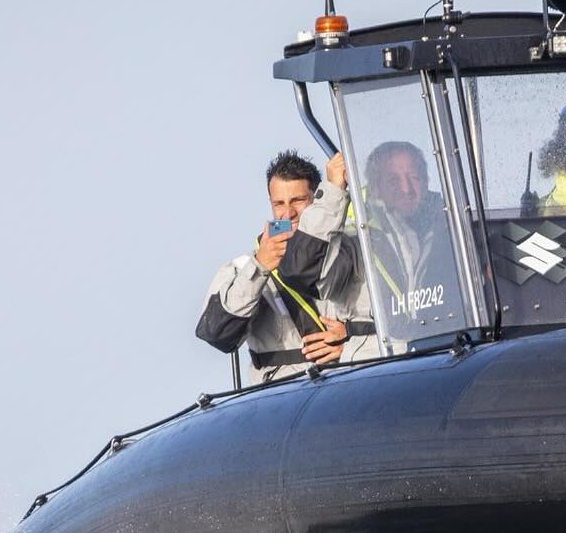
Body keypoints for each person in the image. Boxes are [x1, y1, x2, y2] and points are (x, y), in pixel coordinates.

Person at [196, 149, 376, 382]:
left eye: (298, 201)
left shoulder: (349, 251)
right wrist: (259, 266)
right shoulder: (240, 268)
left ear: (316, 199)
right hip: (284, 393)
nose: (288, 213)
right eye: (279, 203)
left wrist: (349, 346)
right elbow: (217, 334)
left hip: (347, 380)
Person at [360, 141, 458, 325]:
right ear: (374, 188)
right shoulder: (360, 239)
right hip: (393, 350)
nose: (406, 189)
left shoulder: (454, 230)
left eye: (414, 178)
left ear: (426, 183)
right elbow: (303, 271)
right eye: (393, 180)